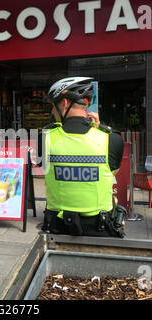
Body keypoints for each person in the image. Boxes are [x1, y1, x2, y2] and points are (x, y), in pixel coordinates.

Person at [41, 77, 125, 237]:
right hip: (101, 231)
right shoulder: (111, 139)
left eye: (53, 106)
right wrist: (100, 129)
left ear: (64, 103)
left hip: (59, 230)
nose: (52, 111)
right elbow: (110, 174)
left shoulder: (44, 138)